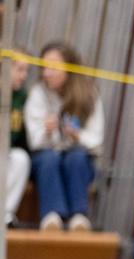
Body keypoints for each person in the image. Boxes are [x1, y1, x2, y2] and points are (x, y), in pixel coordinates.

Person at [24, 41, 104, 232]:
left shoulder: (88, 94)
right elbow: (33, 141)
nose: (46, 73)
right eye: (44, 67)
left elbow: (96, 140)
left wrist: (77, 136)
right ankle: (52, 216)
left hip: (77, 159)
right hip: (46, 159)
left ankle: (79, 215)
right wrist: (47, 130)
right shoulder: (38, 93)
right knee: (49, 159)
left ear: (69, 68)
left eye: (53, 67)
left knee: (76, 157)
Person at [5, 54, 30, 227]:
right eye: (20, 69)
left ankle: (5, 215)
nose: (24, 75)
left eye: (27, 70)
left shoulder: (23, 97)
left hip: (7, 154)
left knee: (21, 158)